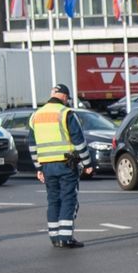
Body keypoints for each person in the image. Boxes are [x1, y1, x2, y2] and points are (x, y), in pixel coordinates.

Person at [31, 82, 87, 249]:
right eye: (67, 98)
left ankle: (54, 238)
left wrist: (38, 167)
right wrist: (88, 163)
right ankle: (65, 237)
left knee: (53, 200)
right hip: (66, 164)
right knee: (68, 199)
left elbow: (32, 144)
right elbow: (78, 140)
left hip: (47, 166)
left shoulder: (36, 115)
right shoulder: (65, 113)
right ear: (63, 96)